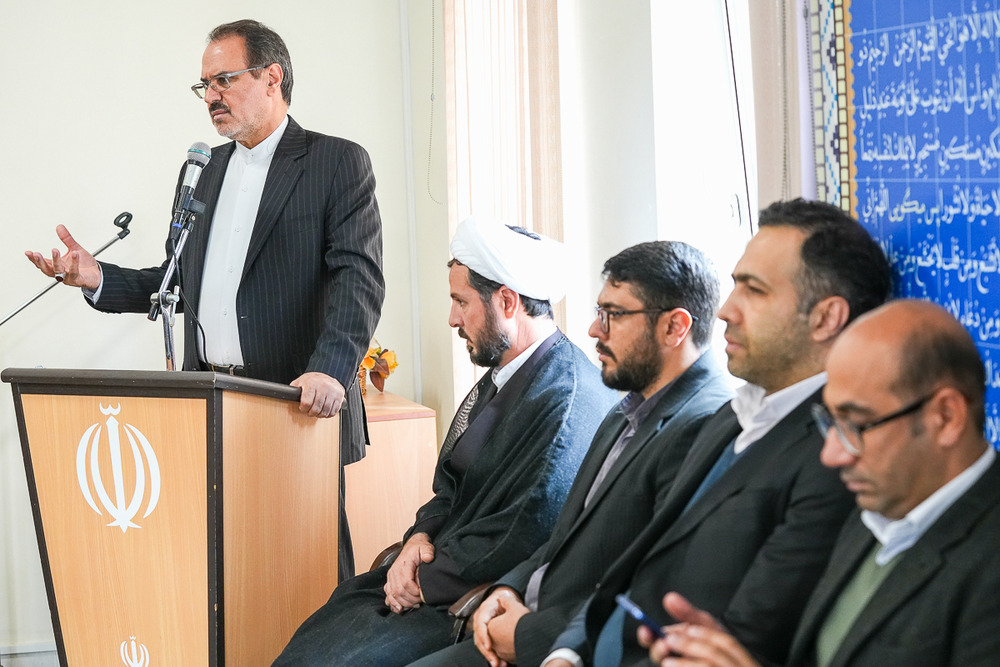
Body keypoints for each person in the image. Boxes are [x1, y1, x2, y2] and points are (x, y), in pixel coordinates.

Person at [23, 19, 384, 581]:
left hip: (293, 406)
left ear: (271, 78)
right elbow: (175, 280)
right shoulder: (203, 170)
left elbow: (358, 279)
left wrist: (330, 371)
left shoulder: (335, 161)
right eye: (204, 85)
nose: (211, 96)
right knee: (221, 577)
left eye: (223, 80)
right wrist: (97, 278)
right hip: (209, 403)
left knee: (307, 575)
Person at [542, 199, 893, 667]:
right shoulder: (734, 414)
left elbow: (741, 641)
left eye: (755, 290)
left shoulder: (833, 458)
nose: (726, 310)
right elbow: (634, 566)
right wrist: (566, 652)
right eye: (734, 286)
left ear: (826, 318)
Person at [271, 217, 618, 666]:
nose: (453, 318)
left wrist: (422, 580)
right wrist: (418, 538)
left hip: (467, 595)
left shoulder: (565, 398)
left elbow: (527, 529)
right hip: (434, 569)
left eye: (461, 302)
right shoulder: (504, 375)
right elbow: (450, 485)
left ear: (507, 301)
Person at [410, 241, 734, 667]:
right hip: (520, 613)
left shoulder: (705, 425)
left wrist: (528, 636)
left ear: (675, 327)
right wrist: (506, 590)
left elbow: (646, 586)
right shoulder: (627, 407)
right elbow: (565, 537)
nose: (594, 329)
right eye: (600, 311)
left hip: (564, 644)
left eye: (612, 314)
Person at [640, 299, 1000, 667]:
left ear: (946, 416)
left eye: (856, 425)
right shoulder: (872, 514)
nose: (831, 455)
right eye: (831, 422)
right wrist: (723, 655)